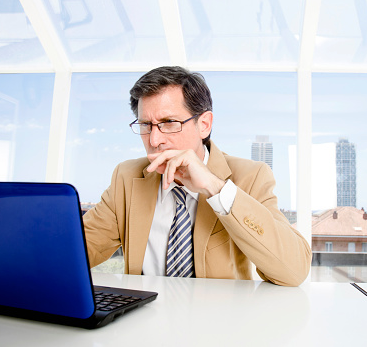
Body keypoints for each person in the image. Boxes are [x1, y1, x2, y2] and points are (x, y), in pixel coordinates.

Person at [83, 66, 311, 286]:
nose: (154, 140)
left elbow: (295, 271)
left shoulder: (251, 176)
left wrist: (216, 189)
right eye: (145, 125)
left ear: (204, 125)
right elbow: (78, 250)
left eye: (168, 123)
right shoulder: (127, 177)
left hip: (218, 321)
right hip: (143, 319)